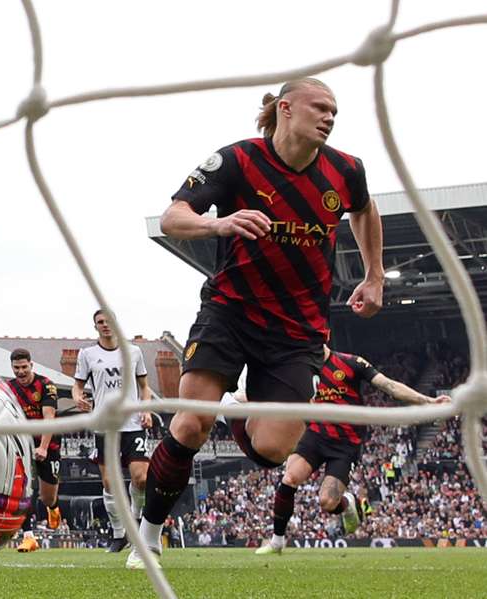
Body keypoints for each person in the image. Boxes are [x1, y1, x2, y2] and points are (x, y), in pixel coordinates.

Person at [129, 78, 385, 570]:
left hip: (298, 331)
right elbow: (172, 217)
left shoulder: (346, 169)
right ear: (286, 109)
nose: (330, 117)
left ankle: (234, 408)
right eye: (321, 108)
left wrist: (374, 275)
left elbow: (364, 209)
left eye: (335, 110)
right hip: (230, 312)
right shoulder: (236, 161)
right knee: (188, 423)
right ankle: (151, 536)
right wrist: (217, 223)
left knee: (272, 451)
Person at [255, 345, 451, 554]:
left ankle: (347, 504)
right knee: (289, 479)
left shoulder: (351, 363)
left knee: (327, 502)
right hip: (314, 436)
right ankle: (277, 540)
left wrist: (429, 401)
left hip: (345, 444)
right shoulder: (301, 369)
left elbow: (390, 386)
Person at [73, 309, 153, 553]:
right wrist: (78, 398)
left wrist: (147, 409)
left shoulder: (133, 352)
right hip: (105, 426)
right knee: (110, 483)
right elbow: (77, 386)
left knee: (141, 478)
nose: (105, 325)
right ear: (95, 326)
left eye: (109, 321)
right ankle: (119, 535)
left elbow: (145, 387)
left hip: (132, 425)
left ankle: (137, 521)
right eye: (100, 322)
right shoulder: (87, 354)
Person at [7, 348, 62, 553]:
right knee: (24, 490)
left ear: (31, 365)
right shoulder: (8, 388)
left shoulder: (46, 385)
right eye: (16, 368)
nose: (20, 372)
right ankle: (29, 537)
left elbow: (49, 418)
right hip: (23, 444)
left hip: (49, 443)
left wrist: (44, 447)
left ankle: (54, 507)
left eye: (24, 367)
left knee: (47, 497)